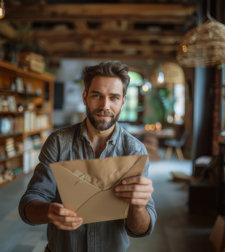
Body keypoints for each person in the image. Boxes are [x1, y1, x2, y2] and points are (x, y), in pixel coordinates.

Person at [18, 60, 156, 252]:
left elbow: (140, 230)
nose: (104, 106)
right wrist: (49, 211)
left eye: (114, 97)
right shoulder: (58, 143)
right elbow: (29, 204)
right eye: (97, 95)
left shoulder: (135, 151)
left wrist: (139, 206)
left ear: (123, 101)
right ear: (85, 97)